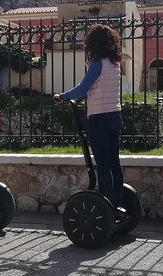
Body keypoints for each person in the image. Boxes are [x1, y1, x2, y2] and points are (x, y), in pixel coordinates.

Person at [53, 24, 125, 214]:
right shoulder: (115, 64)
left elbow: (83, 88)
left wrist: (63, 96)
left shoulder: (97, 63)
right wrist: (73, 96)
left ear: (93, 43)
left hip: (99, 119)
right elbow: (94, 90)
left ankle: (107, 205)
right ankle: (117, 202)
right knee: (114, 163)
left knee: (103, 165)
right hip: (115, 115)